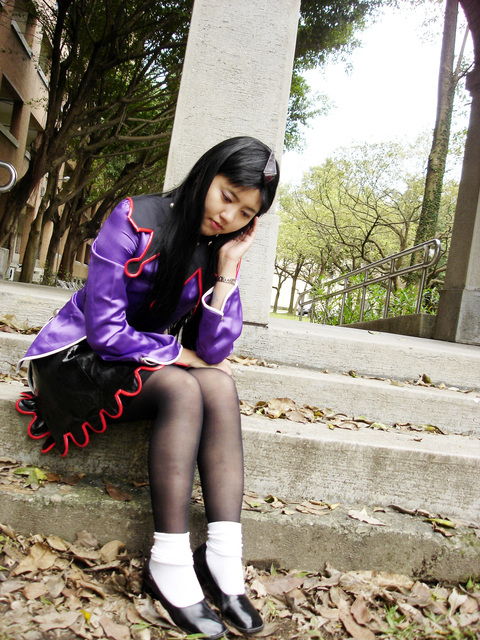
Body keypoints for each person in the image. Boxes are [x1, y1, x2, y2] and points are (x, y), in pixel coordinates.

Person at [16, 136, 280, 639]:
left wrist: (227, 271)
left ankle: (223, 560)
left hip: (139, 363)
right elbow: (105, 332)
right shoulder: (134, 218)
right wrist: (177, 352)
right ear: (205, 175)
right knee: (183, 387)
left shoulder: (220, 247)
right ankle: (169, 561)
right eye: (226, 197)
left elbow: (214, 351)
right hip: (77, 359)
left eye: (246, 213)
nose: (229, 217)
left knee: (218, 387)